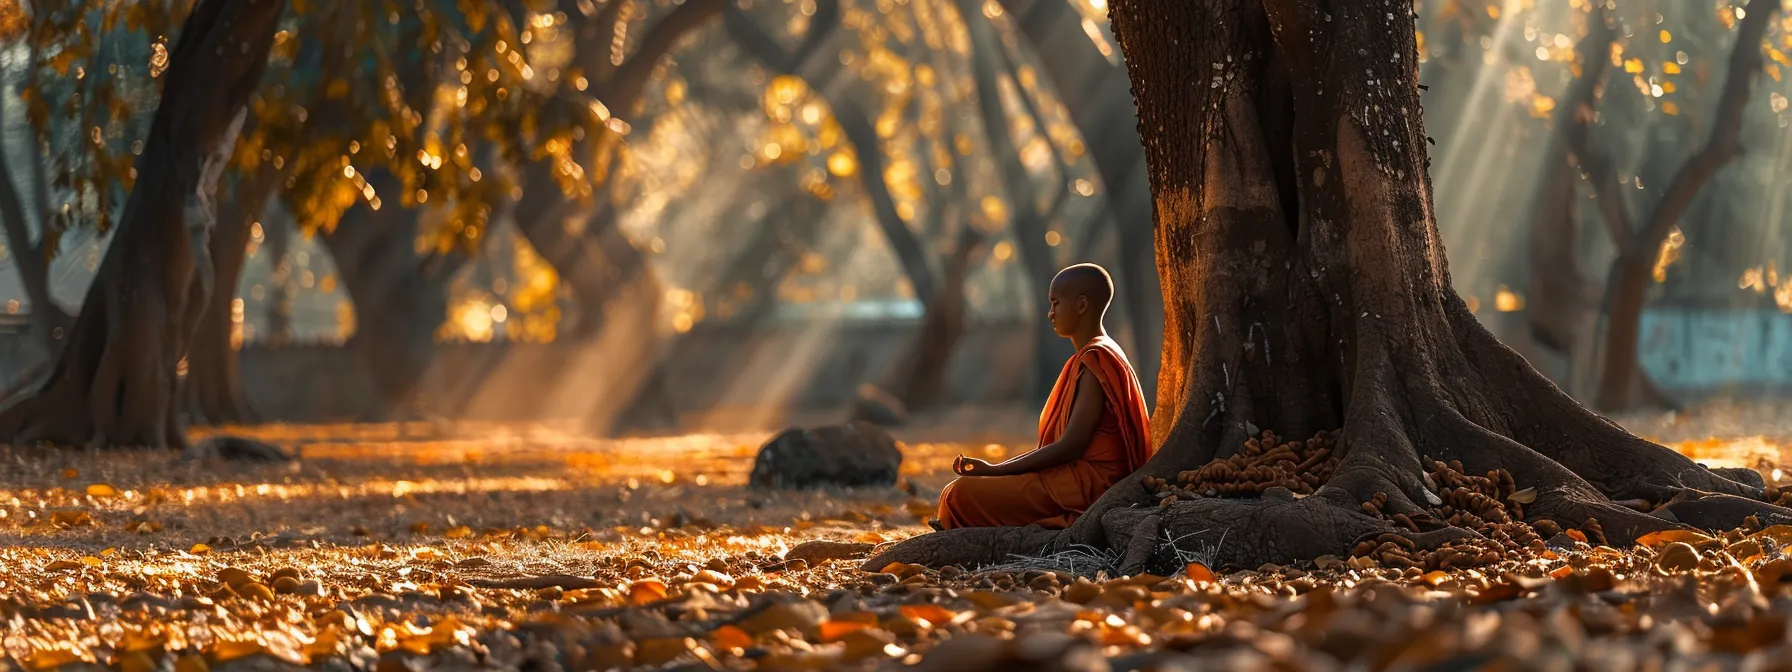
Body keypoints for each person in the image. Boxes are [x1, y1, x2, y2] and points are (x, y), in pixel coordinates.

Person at [932, 263, 1152, 530]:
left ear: (1081, 305)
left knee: (960, 495)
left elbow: (1070, 447)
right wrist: (997, 469)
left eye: (1056, 303)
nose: (1050, 313)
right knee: (958, 492)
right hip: (1075, 481)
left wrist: (995, 470)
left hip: (1090, 488)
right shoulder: (1097, 354)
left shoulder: (1097, 359)